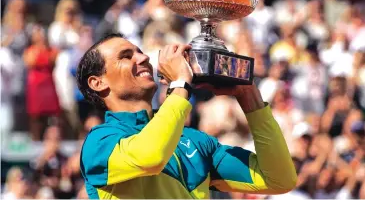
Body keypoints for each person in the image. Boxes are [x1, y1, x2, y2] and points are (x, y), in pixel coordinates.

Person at [76, 33, 297, 199]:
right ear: (98, 82)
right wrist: (180, 84)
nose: (143, 58)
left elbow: (279, 179)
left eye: (140, 51)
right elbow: (151, 156)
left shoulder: (196, 141)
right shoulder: (99, 143)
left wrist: (248, 96)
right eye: (126, 56)